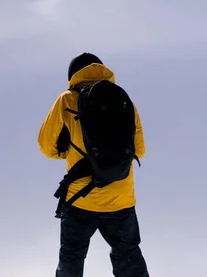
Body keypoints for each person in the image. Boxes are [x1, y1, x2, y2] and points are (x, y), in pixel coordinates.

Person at [39, 53, 150, 277]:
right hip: (121, 198)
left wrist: (70, 151)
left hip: (80, 198)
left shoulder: (67, 100)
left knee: (72, 256)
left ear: (73, 75)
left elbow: (46, 146)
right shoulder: (123, 99)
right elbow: (140, 150)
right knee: (128, 254)